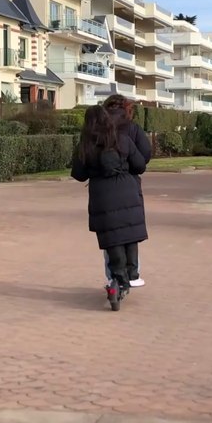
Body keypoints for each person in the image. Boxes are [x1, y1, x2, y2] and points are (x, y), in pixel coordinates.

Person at [70, 104, 148, 311]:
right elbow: (140, 165)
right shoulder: (123, 140)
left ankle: (117, 279)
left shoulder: (86, 145)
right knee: (129, 233)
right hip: (127, 190)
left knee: (111, 237)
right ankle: (131, 274)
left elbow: (78, 174)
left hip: (102, 195)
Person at [101, 94, 152, 287]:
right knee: (130, 228)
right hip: (129, 183)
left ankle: (112, 275)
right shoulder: (133, 129)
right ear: (127, 110)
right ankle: (132, 273)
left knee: (110, 232)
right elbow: (144, 156)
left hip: (102, 188)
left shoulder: (97, 130)